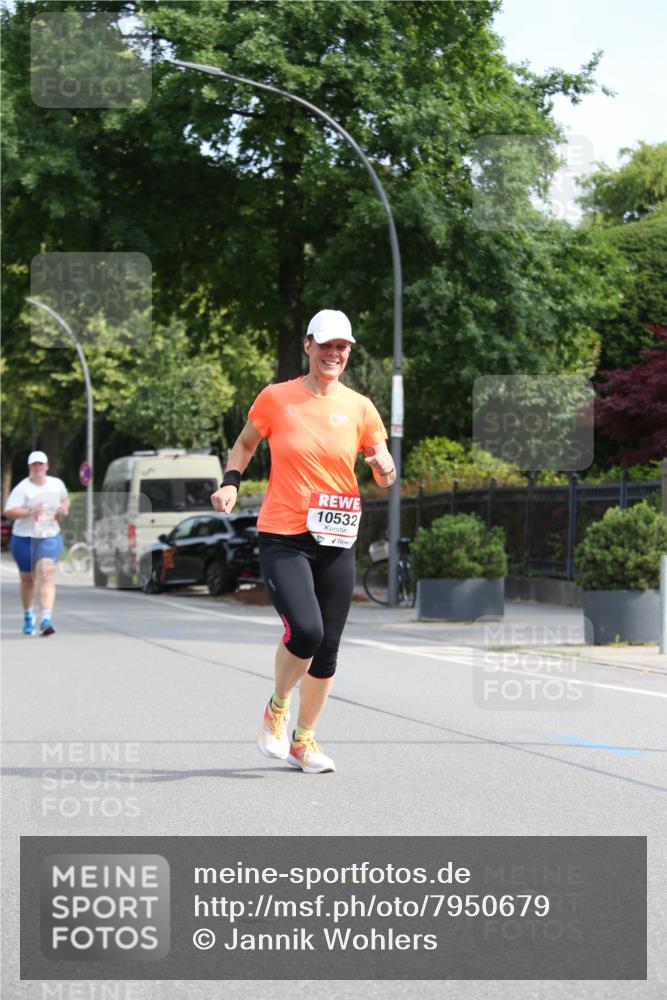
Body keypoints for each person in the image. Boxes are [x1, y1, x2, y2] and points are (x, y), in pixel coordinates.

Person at [211, 309, 396, 774]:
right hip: (284, 534)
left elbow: (384, 470)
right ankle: (277, 707)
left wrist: (384, 467)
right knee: (306, 631)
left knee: (328, 645)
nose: (335, 354)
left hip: (337, 535)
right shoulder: (277, 398)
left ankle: (304, 741)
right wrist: (231, 481)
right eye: (327, 345)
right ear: (308, 345)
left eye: (343, 347)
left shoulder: (361, 407)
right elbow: (244, 444)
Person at [4, 451, 70, 636]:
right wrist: (30, 511)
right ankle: (28, 616)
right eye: (34, 464)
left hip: (48, 535)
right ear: (29, 467)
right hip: (24, 537)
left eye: (41, 464)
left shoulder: (56, 484)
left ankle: (46, 619)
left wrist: (64, 508)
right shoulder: (22, 488)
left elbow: (65, 498)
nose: (38, 467)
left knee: (46, 571)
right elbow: (9, 511)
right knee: (28, 580)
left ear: (47, 466)